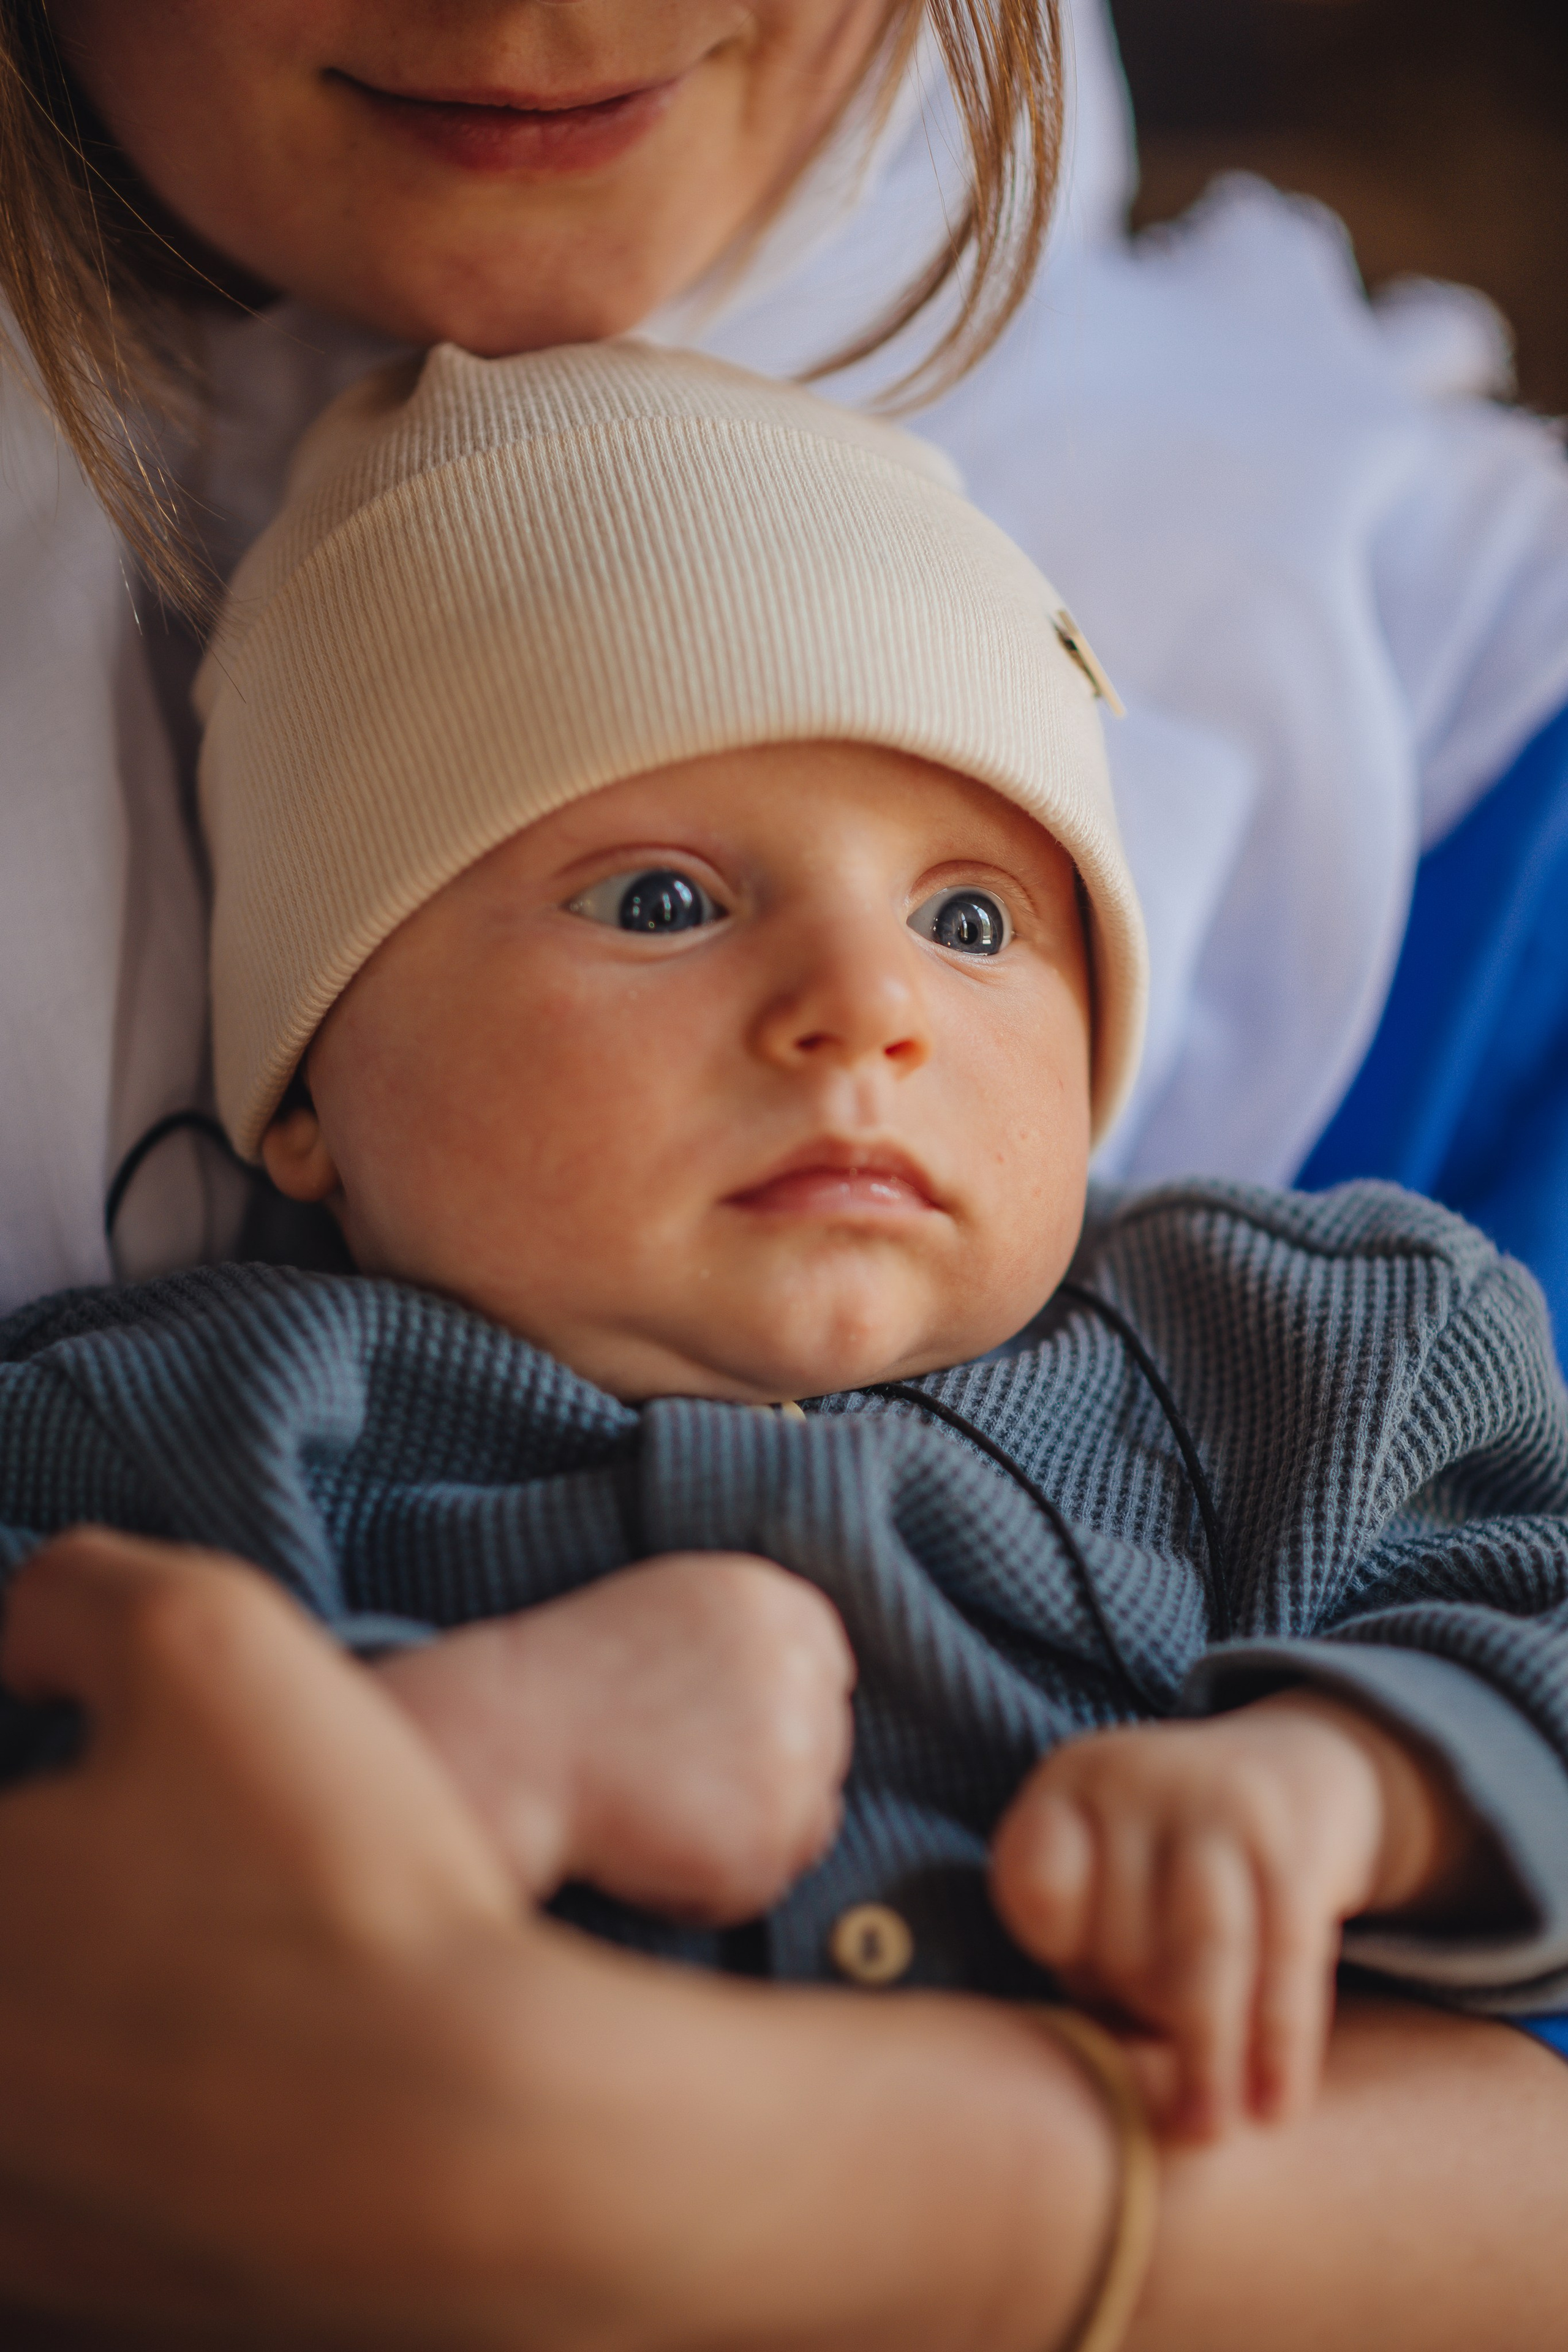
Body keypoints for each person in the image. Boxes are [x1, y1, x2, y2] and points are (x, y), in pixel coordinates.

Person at [1, 4, 1567, 2344]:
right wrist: (481, 1754)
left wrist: (1352, 1786)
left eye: (974, 919)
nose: (871, 1015)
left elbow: (1524, 1609)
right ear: (302, 1085)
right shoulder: (200, 1419)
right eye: (658, 902)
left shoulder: (1278, 1350)